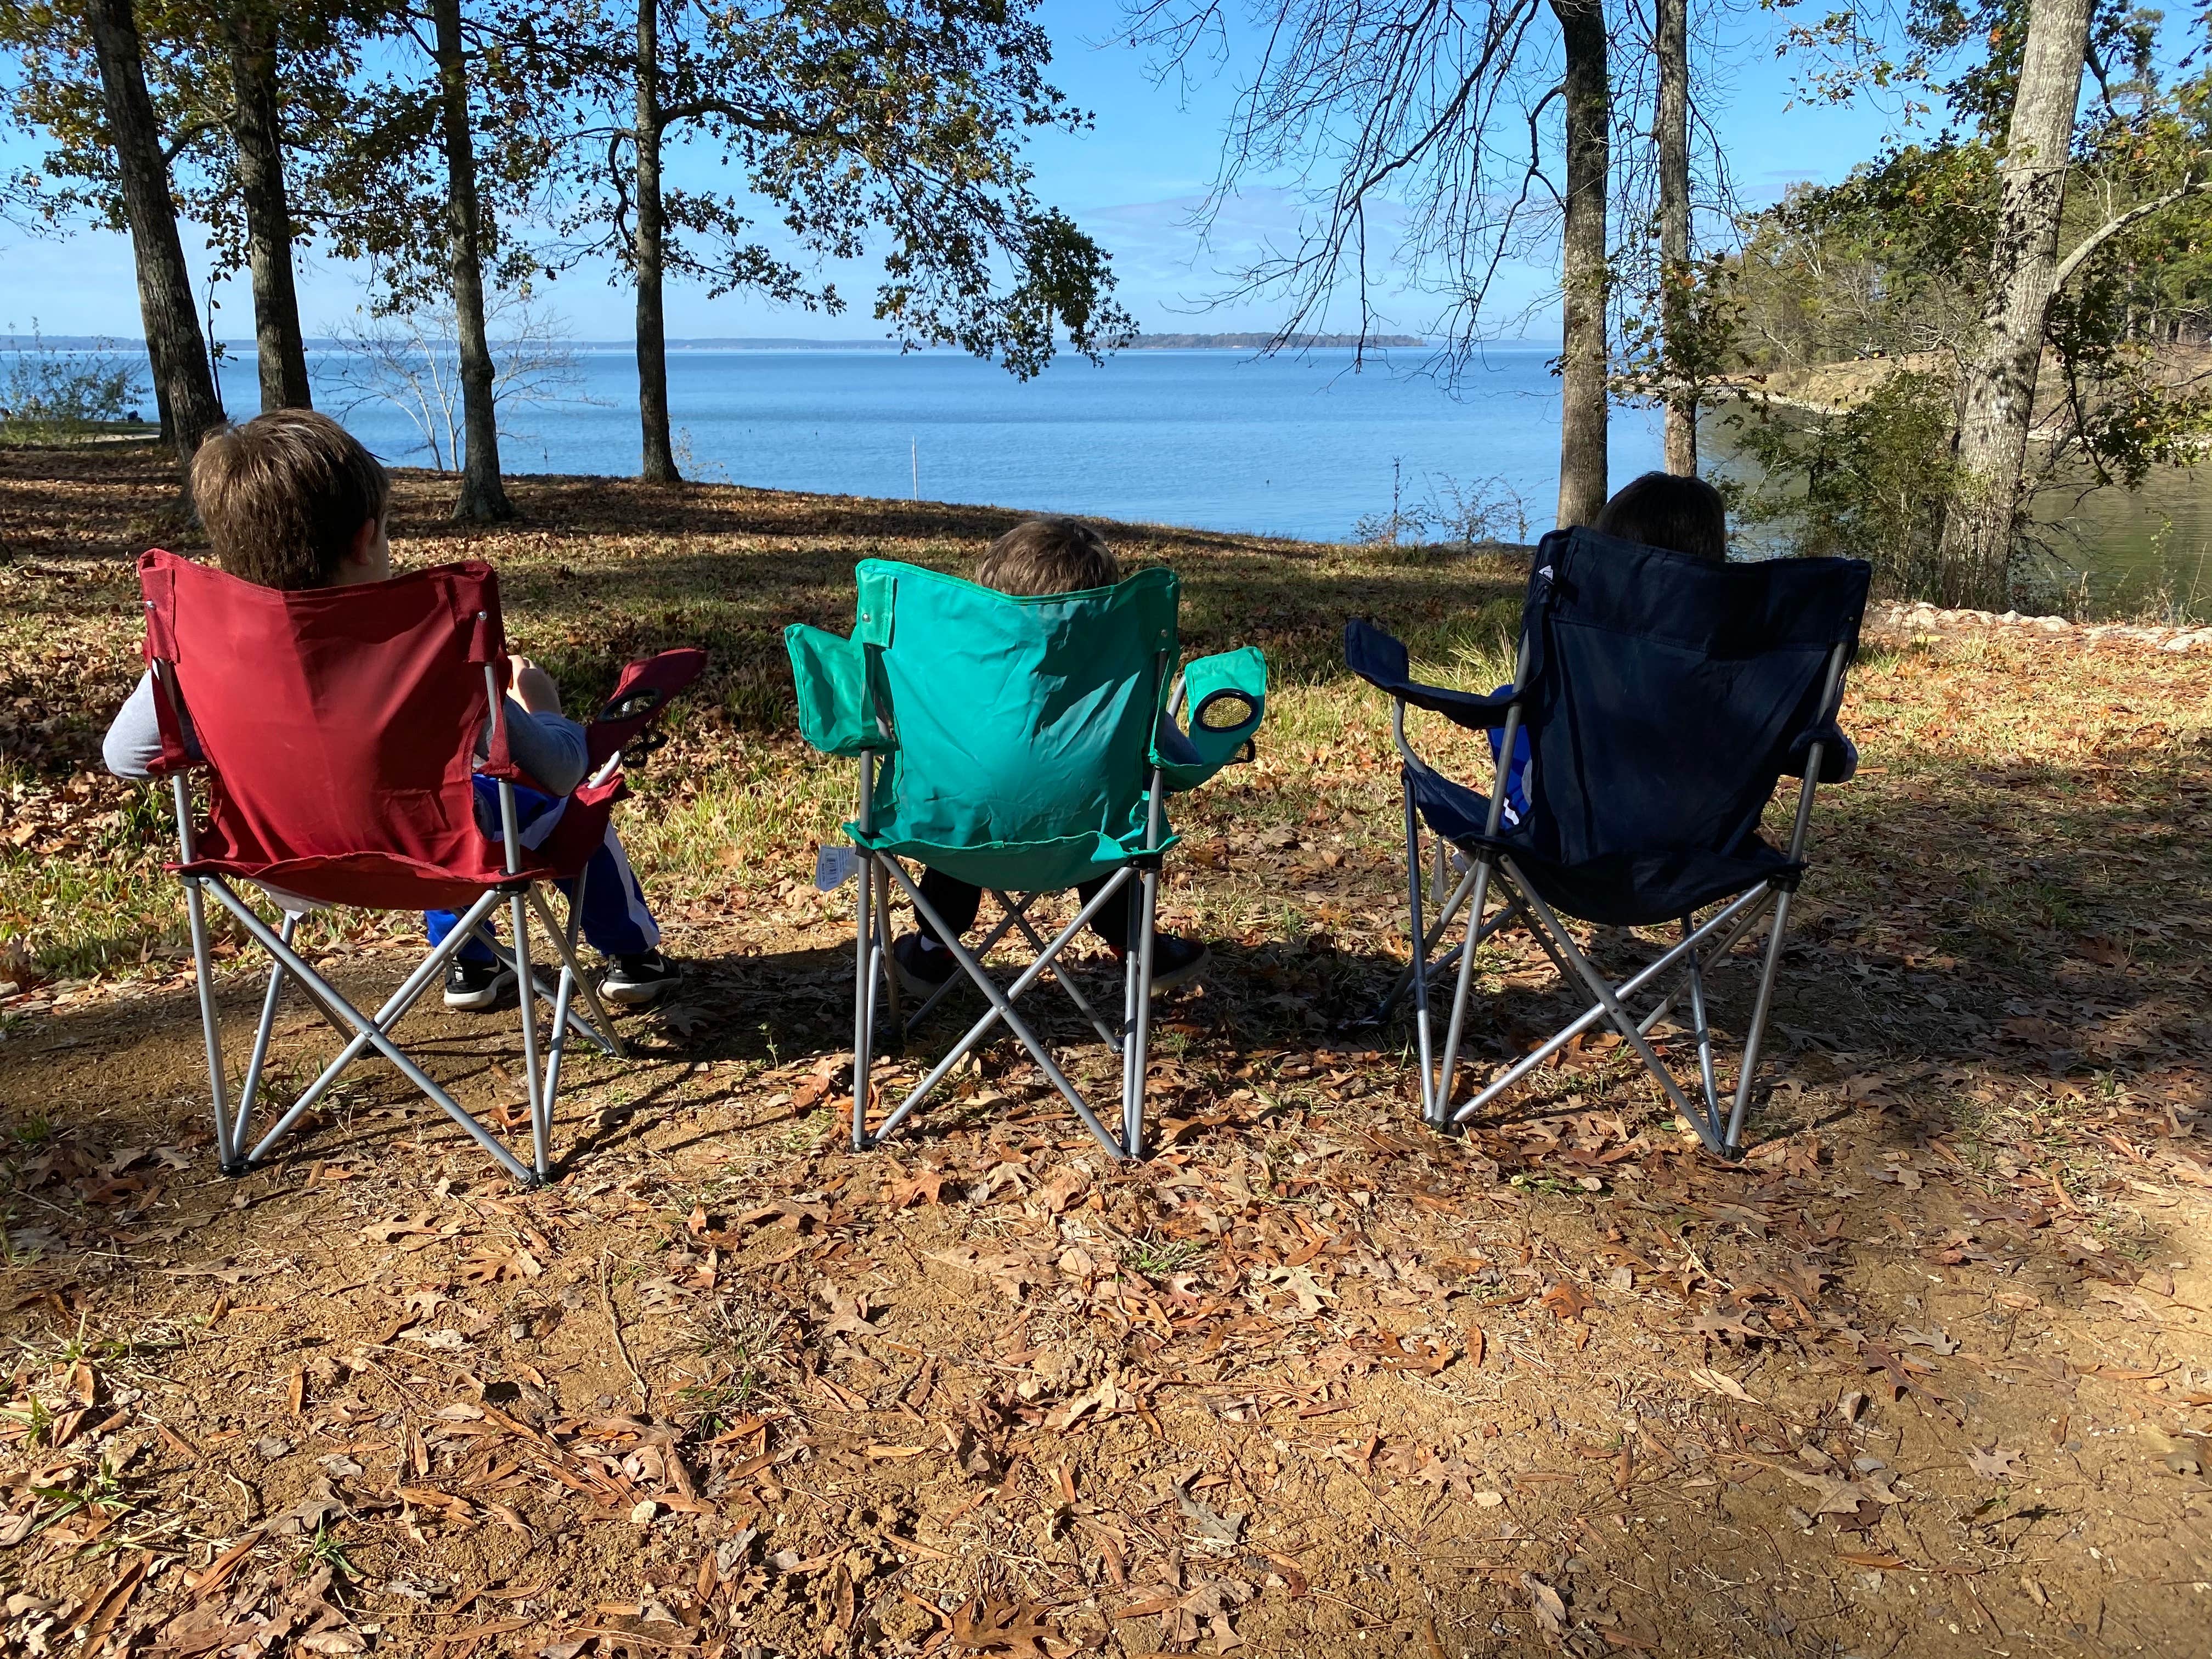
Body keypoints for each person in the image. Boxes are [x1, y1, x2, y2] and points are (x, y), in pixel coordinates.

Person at [100, 410, 679, 1009]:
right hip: (430, 857)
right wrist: (540, 703)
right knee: (548, 808)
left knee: (450, 797)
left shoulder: (196, 642)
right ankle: (633, 957)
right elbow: (560, 771)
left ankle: (472, 966)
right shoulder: (424, 645)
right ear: (364, 538)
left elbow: (126, 756)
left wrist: (224, 733)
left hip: (276, 859)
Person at [889, 516, 1212, 998]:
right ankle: (1134, 943)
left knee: (964, 800)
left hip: (958, 844)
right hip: (1085, 847)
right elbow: (1180, 760)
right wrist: (1205, 751)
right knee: (1109, 810)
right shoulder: (1120, 677)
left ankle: (935, 947)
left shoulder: (950, 674)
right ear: (1100, 607)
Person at [1489, 471, 1732, 824]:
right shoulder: (1748, 647)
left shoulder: (1585, 634)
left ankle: (1508, 824)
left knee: (1507, 703)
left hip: (1572, 836)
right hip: (1708, 843)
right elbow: (1839, 761)